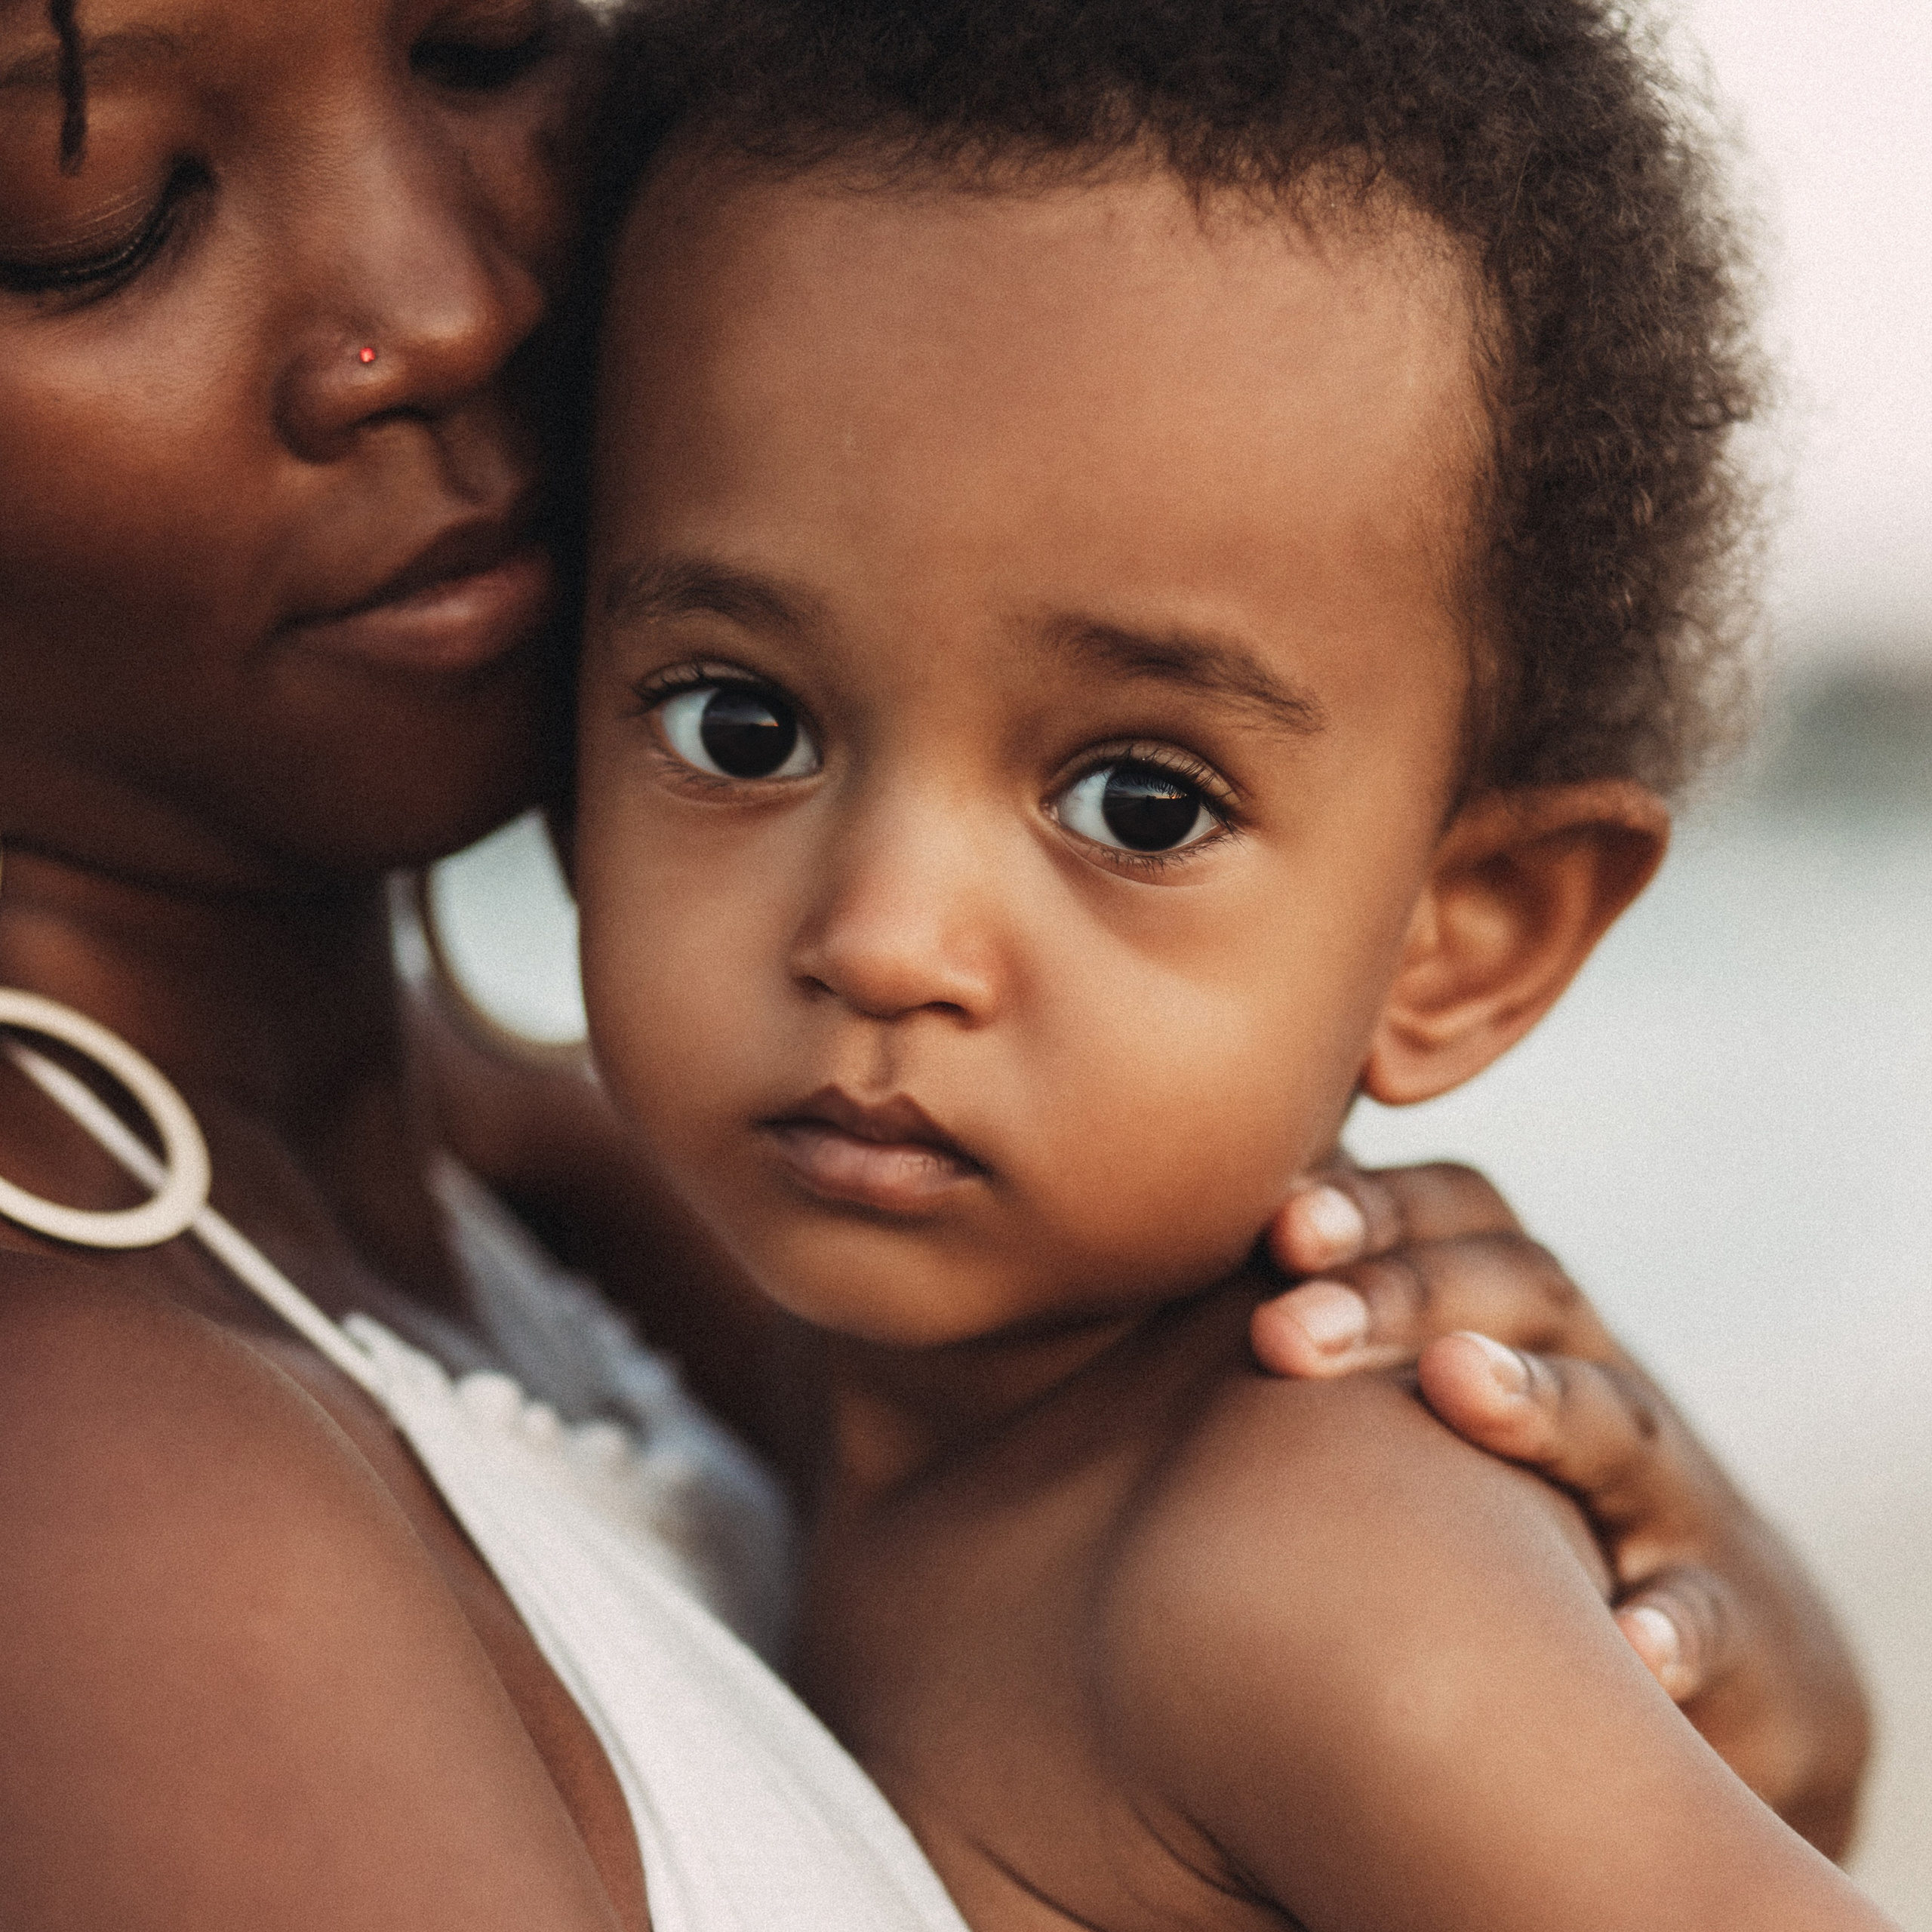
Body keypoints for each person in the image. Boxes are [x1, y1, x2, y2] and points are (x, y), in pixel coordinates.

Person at [0, 0, 1866, 1920]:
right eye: (95, 206)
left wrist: (1723, 1694)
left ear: (1470, 936)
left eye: (488, 44)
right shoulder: (98, 1479)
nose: (882, 938)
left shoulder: (658, 1258)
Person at [567, 0, 1890, 1924]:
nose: (879, 939)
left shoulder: (1297, 1564)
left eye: (1138, 803)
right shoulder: (803, 1371)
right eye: (741, 726)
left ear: (1464, 938)